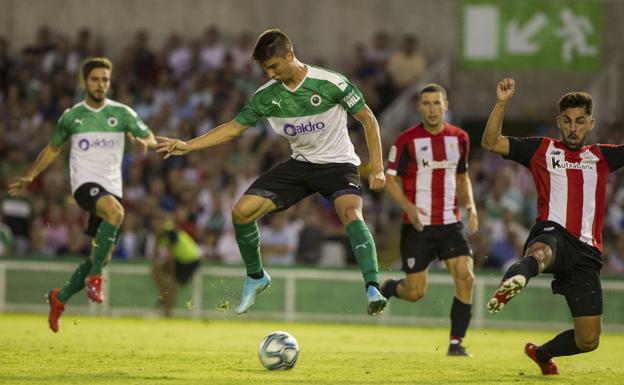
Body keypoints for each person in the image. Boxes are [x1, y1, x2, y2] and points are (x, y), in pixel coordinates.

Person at [157, 28, 388, 316]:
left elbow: (368, 119)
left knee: (351, 213)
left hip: (338, 164)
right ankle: (256, 277)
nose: (271, 75)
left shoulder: (330, 83)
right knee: (241, 212)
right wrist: (188, 146)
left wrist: (378, 167)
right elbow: (233, 128)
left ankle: (372, 287)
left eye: (275, 67)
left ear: (290, 55)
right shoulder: (266, 96)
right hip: (301, 164)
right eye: (267, 70)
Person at [481, 78, 623, 375]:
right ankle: (513, 280)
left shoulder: (602, 157)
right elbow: (490, 142)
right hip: (552, 232)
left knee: (588, 340)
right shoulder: (541, 149)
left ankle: (542, 353)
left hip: (586, 252)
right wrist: (502, 103)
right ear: (559, 121)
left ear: (591, 123)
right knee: (541, 253)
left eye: (580, 121)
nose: (573, 128)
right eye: (568, 121)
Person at [8, 57, 156, 332]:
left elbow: (149, 136)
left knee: (102, 254)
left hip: (112, 188)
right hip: (84, 185)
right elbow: (52, 149)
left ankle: (59, 298)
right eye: (95, 79)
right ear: (84, 82)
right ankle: (96, 279)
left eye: (105, 80)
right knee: (116, 214)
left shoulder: (122, 113)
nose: (100, 84)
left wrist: (142, 141)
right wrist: (30, 175)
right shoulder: (72, 116)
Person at [381, 84, 478, 356]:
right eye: (427, 103)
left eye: (437, 103)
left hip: (450, 223)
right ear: (419, 107)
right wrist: (408, 207)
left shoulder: (460, 138)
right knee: (415, 293)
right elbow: (390, 180)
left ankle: (456, 343)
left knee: (466, 277)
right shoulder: (406, 141)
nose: (432, 109)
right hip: (418, 225)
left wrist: (469, 203)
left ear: (446, 105)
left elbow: (462, 176)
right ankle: (390, 288)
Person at [151, 213, 201, 317]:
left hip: (190, 259)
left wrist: (172, 273)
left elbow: (171, 256)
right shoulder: (161, 234)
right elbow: (156, 255)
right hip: (181, 259)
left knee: (172, 285)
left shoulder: (170, 231)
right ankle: (164, 297)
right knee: (156, 267)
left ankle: (167, 311)